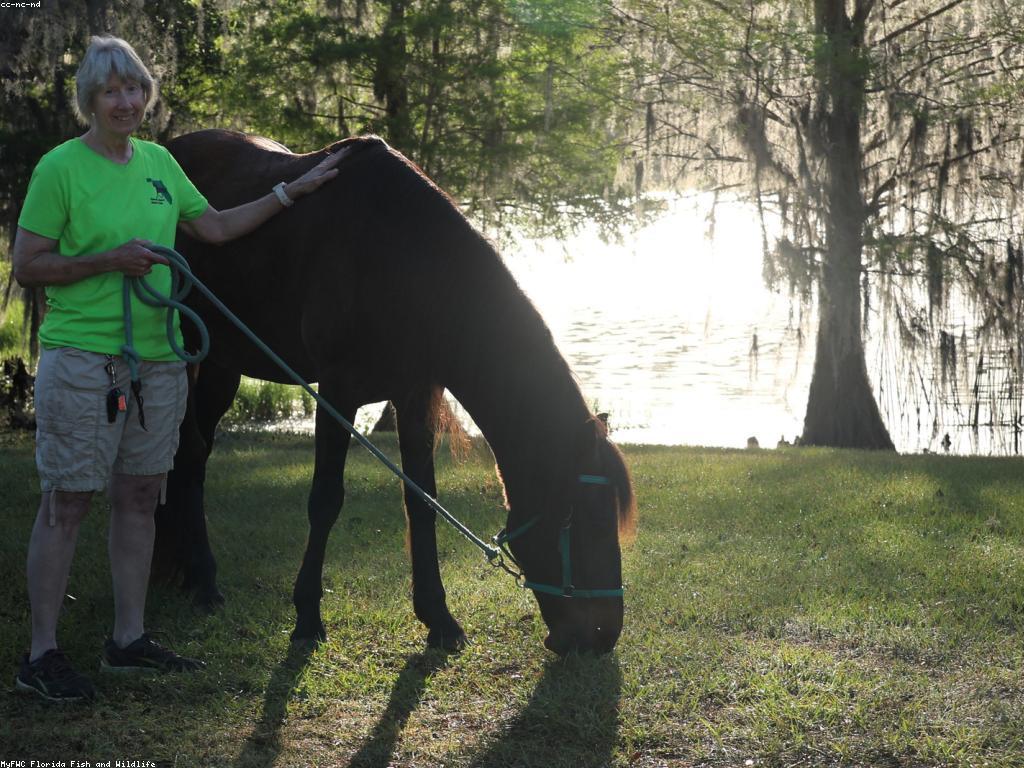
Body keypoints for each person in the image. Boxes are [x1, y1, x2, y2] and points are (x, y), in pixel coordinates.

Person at [11, 35, 343, 702]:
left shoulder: (160, 162)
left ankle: (127, 641)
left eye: (135, 89)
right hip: (83, 359)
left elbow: (215, 228)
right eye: (112, 91)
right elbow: (28, 265)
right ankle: (40, 654)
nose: (126, 101)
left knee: (140, 497)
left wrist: (289, 190)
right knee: (67, 502)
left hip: (157, 362)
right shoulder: (61, 169)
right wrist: (109, 261)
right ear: (90, 100)